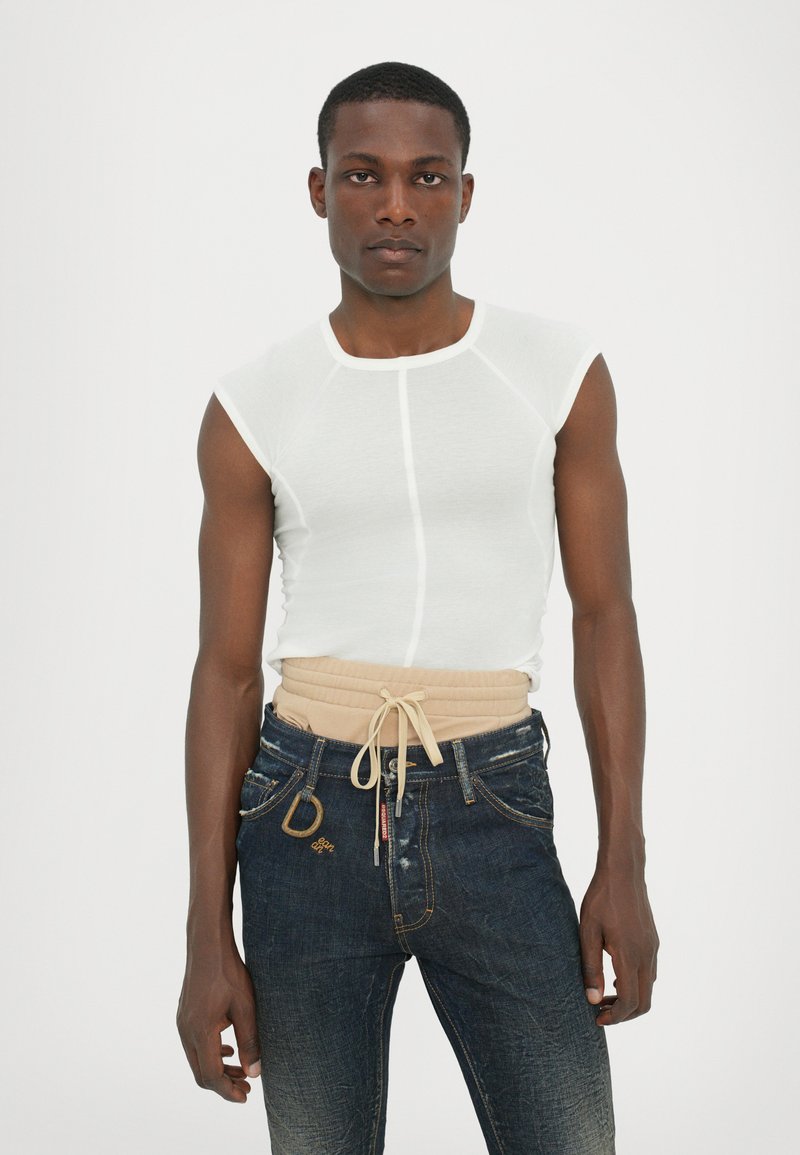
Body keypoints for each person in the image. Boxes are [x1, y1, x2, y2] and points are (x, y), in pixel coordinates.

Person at [176, 60, 659, 1155]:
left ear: (463, 194)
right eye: (363, 175)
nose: (395, 204)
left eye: (425, 177)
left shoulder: (555, 371)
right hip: (303, 819)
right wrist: (207, 932)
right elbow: (225, 671)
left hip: (493, 805)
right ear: (319, 190)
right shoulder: (254, 405)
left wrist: (623, 859)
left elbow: (606, 616)